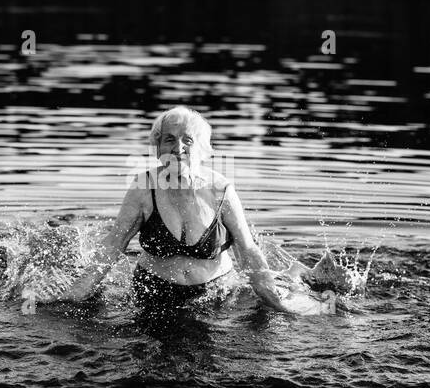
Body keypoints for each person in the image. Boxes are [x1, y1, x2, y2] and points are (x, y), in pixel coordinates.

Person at [60, 106, 294, 313]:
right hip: (153, 293)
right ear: (158, 147)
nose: (177, 148)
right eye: (169, 140)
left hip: (214, 295)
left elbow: (248, 250)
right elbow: (114, 244)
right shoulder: (144, 189)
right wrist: (74, 295)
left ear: (201, 148)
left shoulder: (221, 190)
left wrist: (277, 302)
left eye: (187, 140)